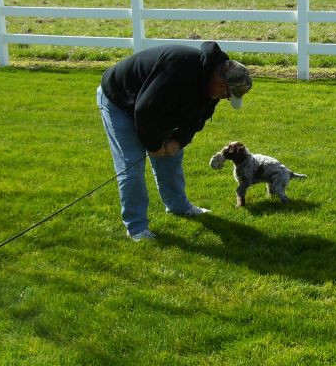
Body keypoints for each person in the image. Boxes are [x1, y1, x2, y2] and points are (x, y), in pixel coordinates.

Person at [96, 41, 253, 241]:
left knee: (172, 156)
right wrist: (153, 147)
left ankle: (178, 206)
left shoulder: (212, 83)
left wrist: (176, 142)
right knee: (131, 165)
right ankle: (136, 227)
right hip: (119, 99)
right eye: (228, 95)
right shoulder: (178, 70)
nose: (224, 98)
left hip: (155, 106)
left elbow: (197, 119)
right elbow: (144, 111)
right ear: (222, 85)